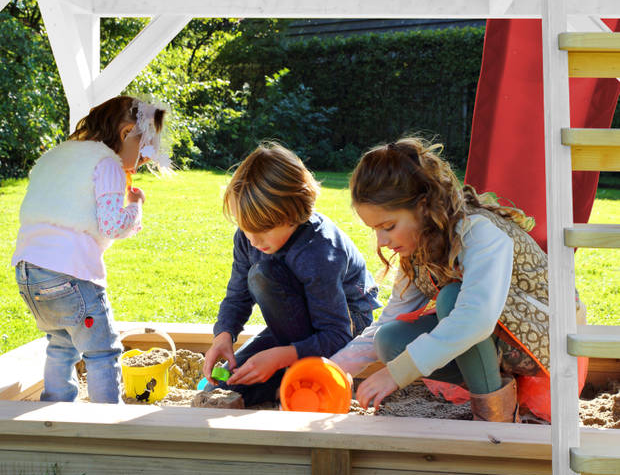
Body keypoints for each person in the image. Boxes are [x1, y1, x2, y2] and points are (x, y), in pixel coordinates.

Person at [330, 137, 587, 423]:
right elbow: (392, 317)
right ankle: (496, 387)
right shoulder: (417, 250)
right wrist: (334, 368)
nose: (382, 240)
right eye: (375, 230)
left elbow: (476, 318)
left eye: (388, 227)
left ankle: (495, 419)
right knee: (389, 340)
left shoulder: (478, 232)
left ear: (424, 206)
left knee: (453, 299)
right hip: (498, 336)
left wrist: (397, 373)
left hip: (550, 336)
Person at [12, 96, 169, 404]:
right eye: (145, 146)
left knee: (60, 343)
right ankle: (107, 418)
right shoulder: (106, 162)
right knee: (102, 351)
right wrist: (135, 207)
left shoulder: (55, 156)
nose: (145, 159)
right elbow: (111, 224)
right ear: (125, 134)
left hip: (29, 271)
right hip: (71, 273)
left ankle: (55, 410)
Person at [202, 142, 381, 406]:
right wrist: (224, 334)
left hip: (345, 323)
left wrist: (279, 356)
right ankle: (286, 377)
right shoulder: (249, 236)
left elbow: (337, 334)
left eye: (263, 229)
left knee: (263, 276)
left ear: (295, 213)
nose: (252, 239)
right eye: (245, 227)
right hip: (294, 324)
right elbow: (237, 295)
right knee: (229, 383)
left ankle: (295, 374)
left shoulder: (319, 250)